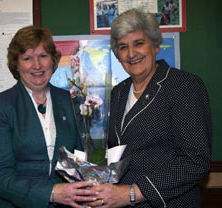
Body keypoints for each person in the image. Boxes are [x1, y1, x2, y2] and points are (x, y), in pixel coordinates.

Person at [89, 8, 212, 208]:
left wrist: (132, 193)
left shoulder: (183, 85)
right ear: (117, 54)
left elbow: (195, 160)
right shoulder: (119, 92)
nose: (131, 54)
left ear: (155, 46)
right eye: (122, 47)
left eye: (139, 43)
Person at [0, 25, 98, 208]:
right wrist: (51, 193)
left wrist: (94, 178)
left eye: (43, 56)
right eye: (27, 58)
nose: (37, 65)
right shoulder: (1, 106)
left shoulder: (69, 101)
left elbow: (77, 158)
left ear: (53, 60)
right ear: (17, 65)